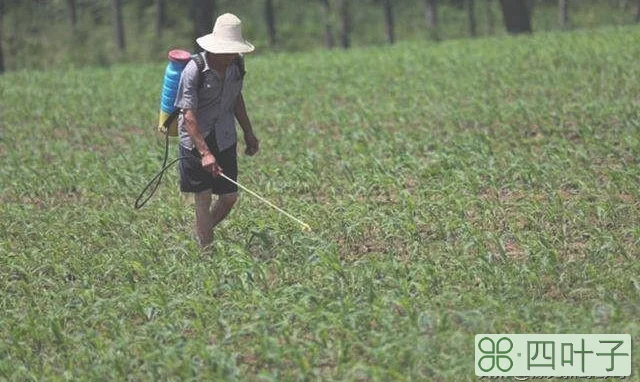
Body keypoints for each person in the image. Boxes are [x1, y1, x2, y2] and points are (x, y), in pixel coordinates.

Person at [174, 13, 259, 248]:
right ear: (216, 48)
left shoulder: (236, 65)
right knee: (203, 198)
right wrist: (205, 153)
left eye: (234, 50)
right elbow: (188, 115)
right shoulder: (194, 70)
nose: (232, 55)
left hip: (224, 137)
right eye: (228, 50)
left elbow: (236, 98)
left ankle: (201, 236)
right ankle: (206, 254)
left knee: (229, 197)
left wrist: (248, 133)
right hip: (195, 141)